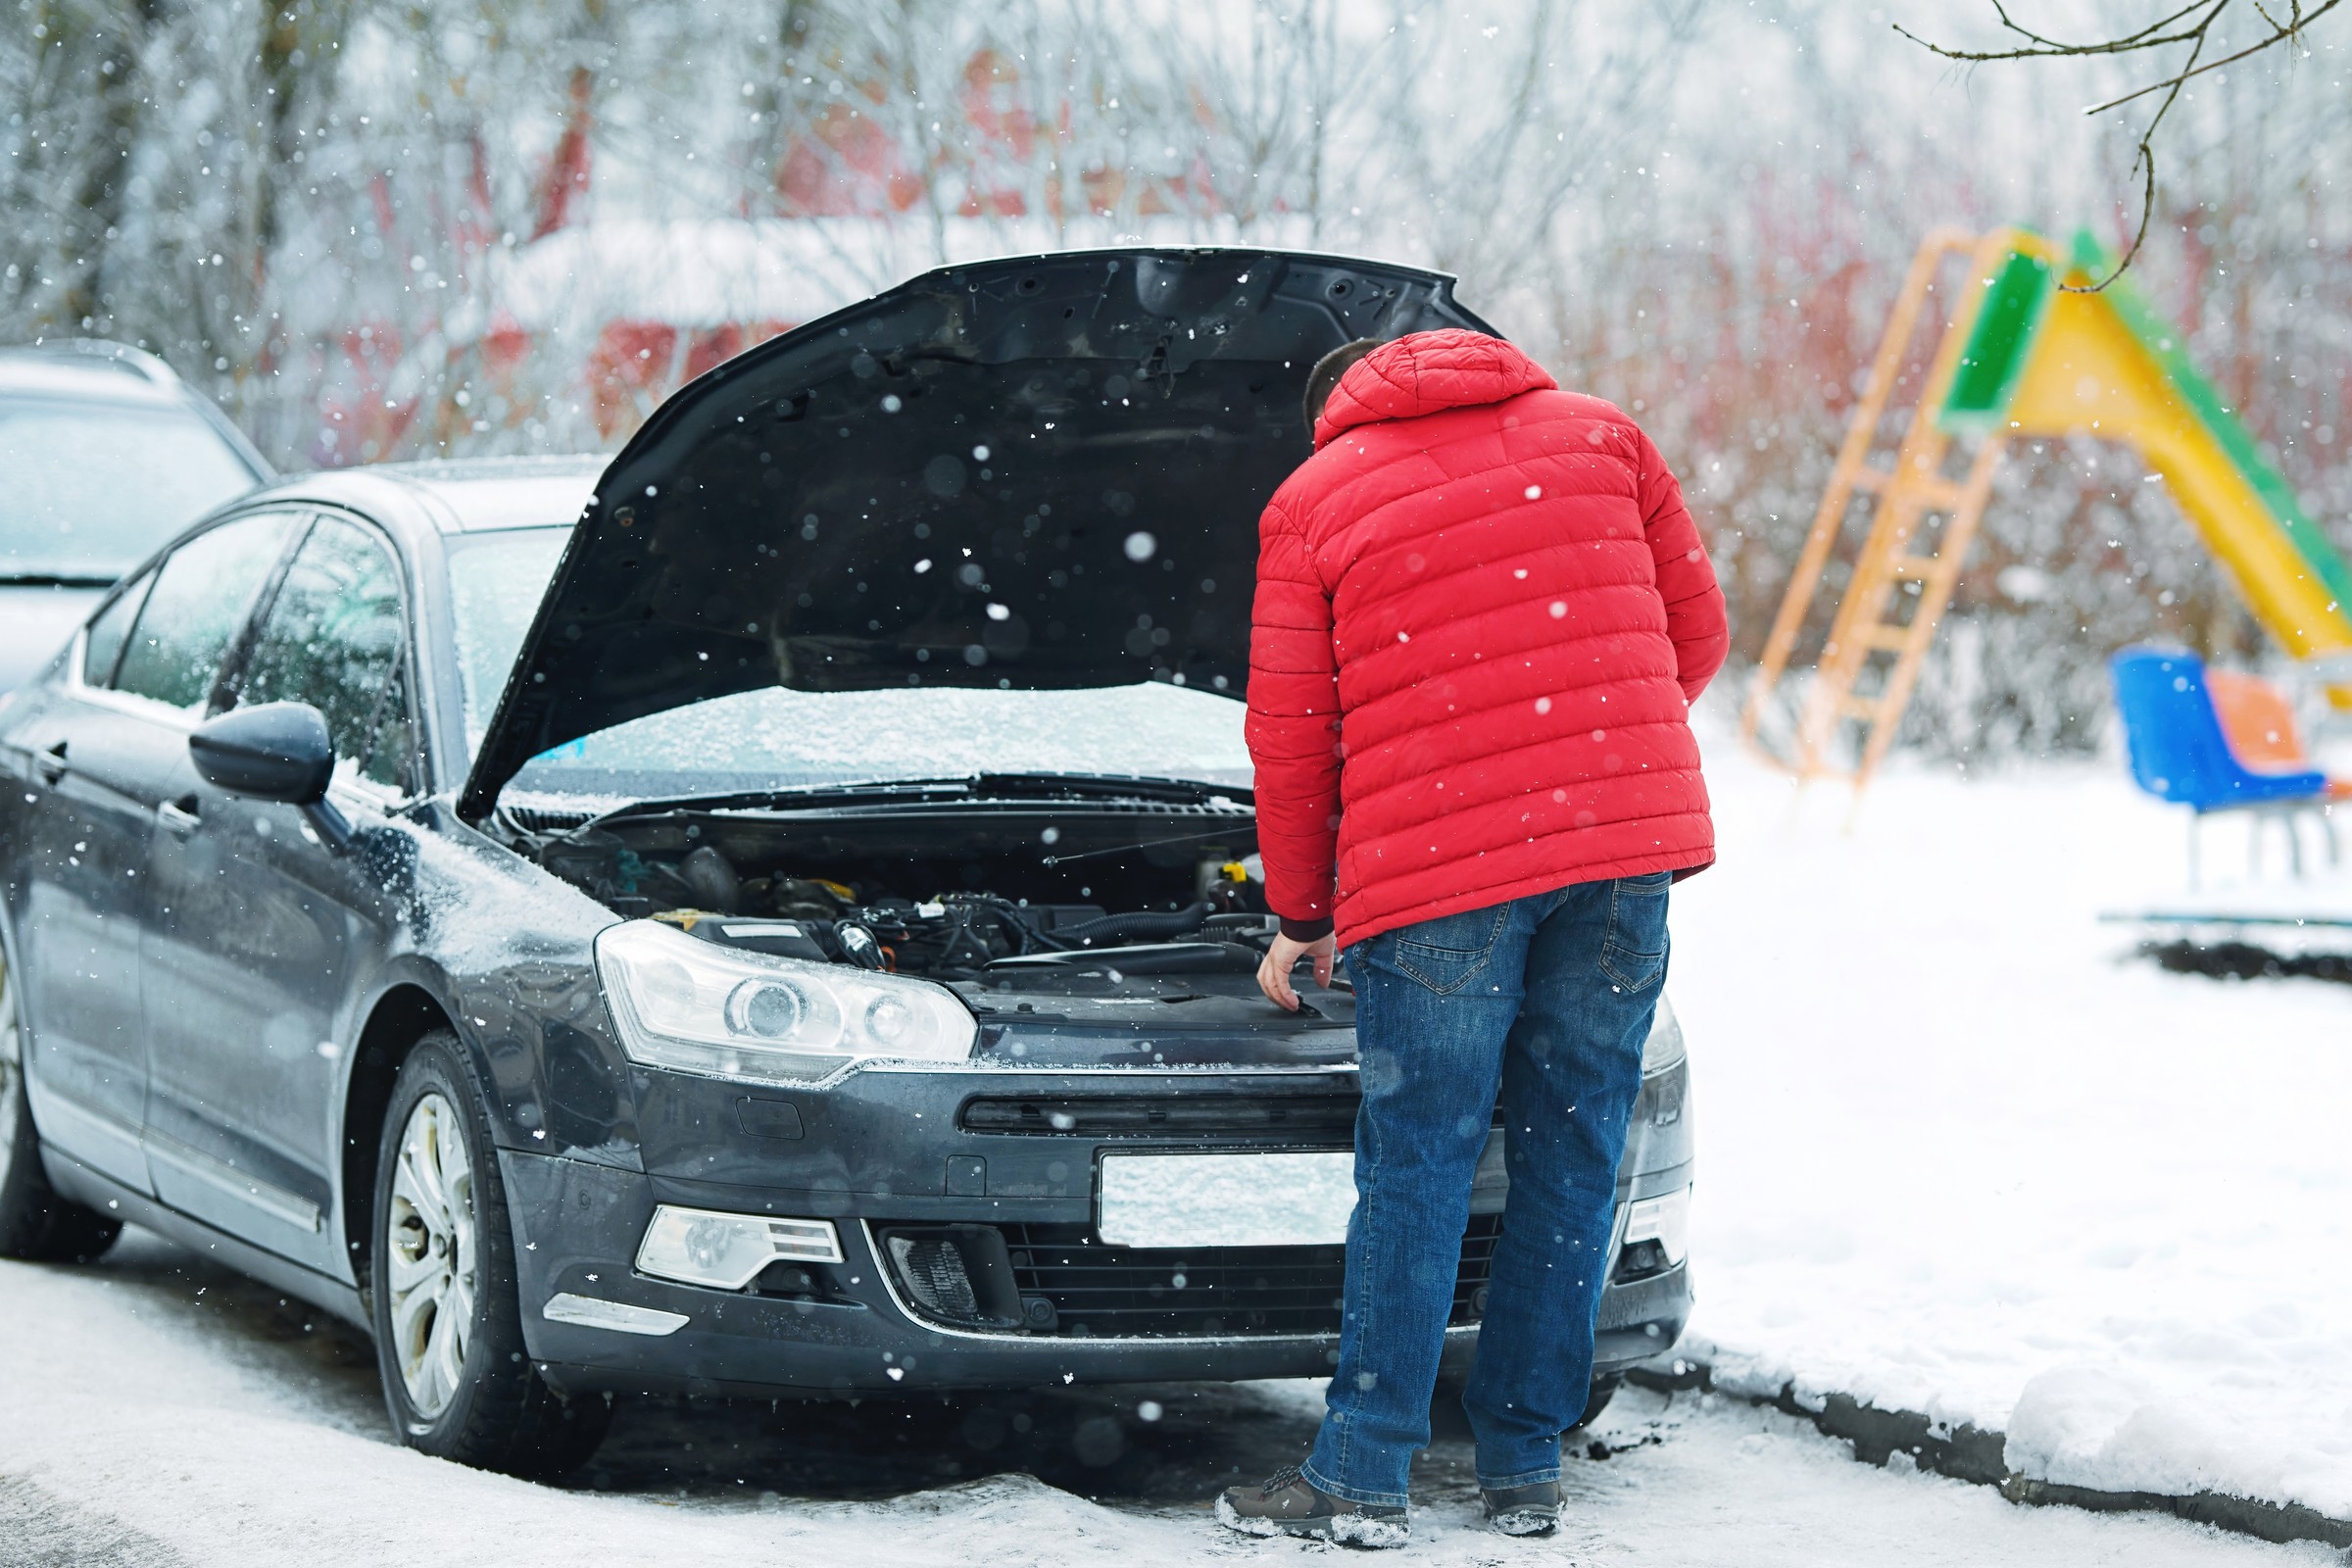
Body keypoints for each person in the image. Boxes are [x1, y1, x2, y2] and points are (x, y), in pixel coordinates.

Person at [1215, 329, 1727, 1545]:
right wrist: (1582, 772)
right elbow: (1691, 637)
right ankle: (1522, 1466)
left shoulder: (1316, 498)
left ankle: (1364, 1472)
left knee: (1421, 1160)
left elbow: (1291, 739)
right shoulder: (1602, 435)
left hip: (1439, 875)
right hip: (1620, 856)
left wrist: (1300, 915)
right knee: (1571, 1149)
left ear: (1333, 410)